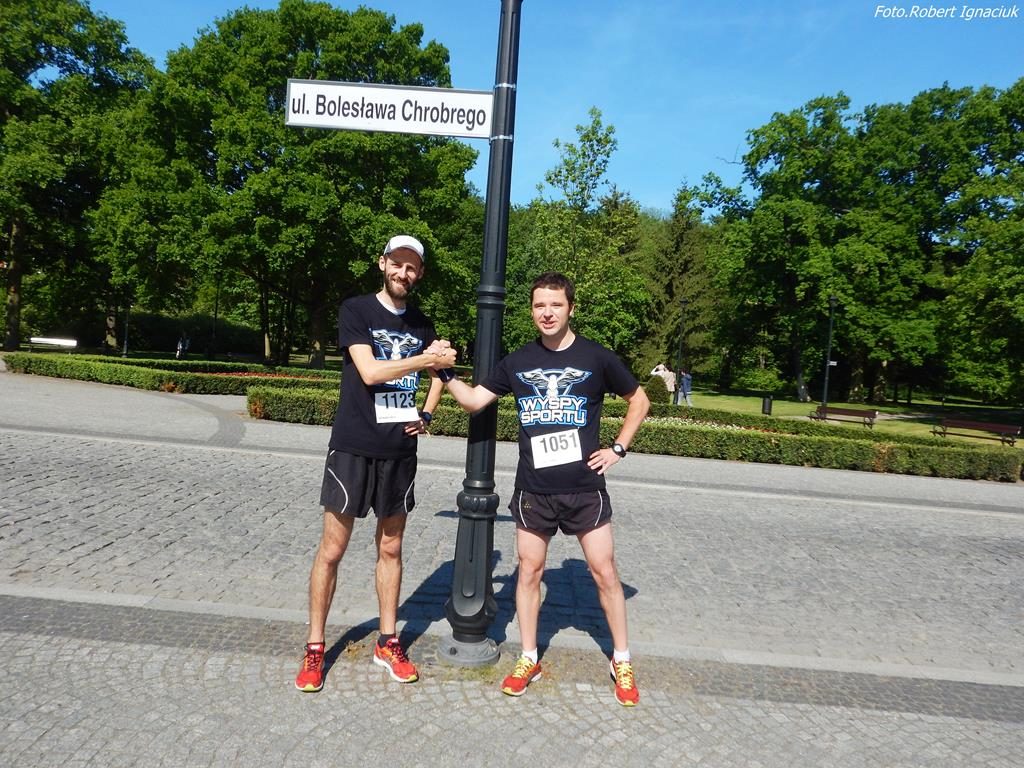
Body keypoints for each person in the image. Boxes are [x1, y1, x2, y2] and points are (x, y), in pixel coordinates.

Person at [434, 272, 650, 706]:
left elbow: (639, 400)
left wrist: (617, 449)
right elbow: (475, 401)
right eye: (539, 306)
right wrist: (444, 371)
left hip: (585, 487)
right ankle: (528, 656)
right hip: (534, 489)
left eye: (555, 305)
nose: (547, 313)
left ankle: (622, 659)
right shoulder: (518, 361)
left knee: (605, 572)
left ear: (571, 308)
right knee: (529, 571)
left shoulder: (596, 357)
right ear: (531, 310)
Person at [295, 234, 456, 693]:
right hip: (353, 445)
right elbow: (369, 372)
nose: (403, 272)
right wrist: (426, 358)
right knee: (332, 549)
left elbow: (442, 371)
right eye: (397, 263)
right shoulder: (357, 310)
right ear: (382, 263)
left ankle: (388, 642)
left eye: (412, 266)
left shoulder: (422, 324)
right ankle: (314, 647)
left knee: (391, 549)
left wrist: (428, 412)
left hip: (399, 450)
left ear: (419, 273)